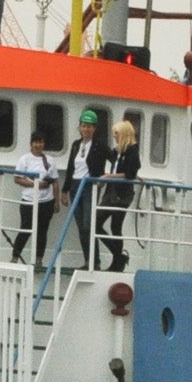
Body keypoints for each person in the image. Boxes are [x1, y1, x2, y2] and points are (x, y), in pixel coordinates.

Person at [57, 110, 110, 266]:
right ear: (79, 127)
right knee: (81, 227)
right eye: (83, 126)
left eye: (89, 127)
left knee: (88, 224)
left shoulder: (99, 146)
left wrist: (105, 178)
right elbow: (71, 167)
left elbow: (114, 159)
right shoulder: (75, 145)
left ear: (94, 128)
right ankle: (89, 260)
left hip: (89, 186)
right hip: (75, 186)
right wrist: (65, 190)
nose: (86, 129)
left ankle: (95, 261)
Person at [98, 119, 142, 272]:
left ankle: (117, 259)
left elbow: (129, 173)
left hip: (121, 195)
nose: (115, 136)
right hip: (112, 192)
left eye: (116, 134)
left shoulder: (132, 151)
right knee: (97, 223)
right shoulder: (118, 151)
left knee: (115, 226)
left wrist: (108, 176)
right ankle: (118, 256)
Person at [10, 130, 57, 266]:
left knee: (42, 232)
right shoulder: (24, 159)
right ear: (31, 144)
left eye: (40, 142)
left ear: (44, 144)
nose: (38, 145)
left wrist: (57, 200)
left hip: (46, 201)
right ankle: (14, 257)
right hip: (29, 201)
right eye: (36, 142)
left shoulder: (49, 160)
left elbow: (55, 181)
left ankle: (39, 260)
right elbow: (17, 179)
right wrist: (36, 184)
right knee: (25, 229)